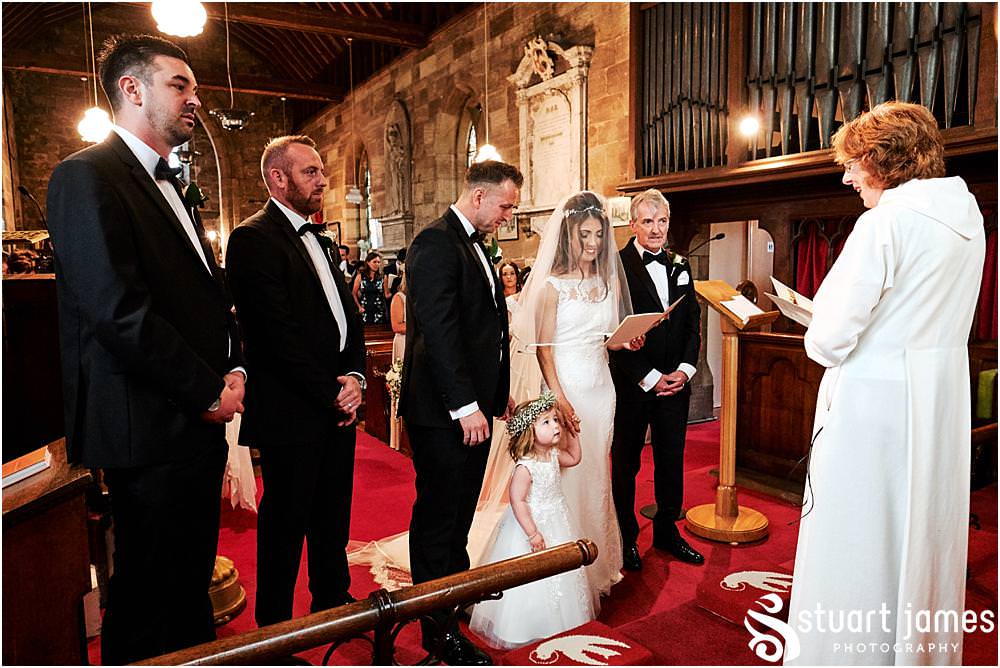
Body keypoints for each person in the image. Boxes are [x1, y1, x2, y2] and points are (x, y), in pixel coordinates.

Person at [45, 33, 245, 663]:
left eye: (194, 87)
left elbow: (203, 299)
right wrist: (209, 389)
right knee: (147, 595)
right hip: (147, 423)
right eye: (179, 85)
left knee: (187, 588)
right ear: (131, 90)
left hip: (188, 421)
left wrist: (232, 361)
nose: (195, 100)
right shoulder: (86, 176)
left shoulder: (172, 182)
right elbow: (117, 311)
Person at [786, 101, 986, 665]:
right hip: (940, 393)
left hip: (875, 404)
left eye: (853, 163)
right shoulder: (967, 219)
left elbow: (827, 341)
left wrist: (818, 322)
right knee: (923, 528)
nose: (846, 176)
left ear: (884, 160)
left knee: (861, 535)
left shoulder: (886, 221)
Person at [225, 135, 366, 626]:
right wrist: (333, 393)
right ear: (277, 178)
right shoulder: (253, 238)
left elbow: (346, 317)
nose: (323, 180)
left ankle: (332, 601)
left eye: (321, 170)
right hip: (291, 412)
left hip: (335, 406)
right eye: (311, 172)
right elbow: (274, 337)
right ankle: (276, 629)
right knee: (285, 525)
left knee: (332, 516)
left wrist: (354, 378)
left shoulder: (320, 238)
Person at [397, 160, 521, 666]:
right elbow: (440, 334)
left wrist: (498, 394)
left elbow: (486, 330)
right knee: (438, 516)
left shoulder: (477, 246)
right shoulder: (434, 243)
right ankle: (436, 627)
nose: (508, 216)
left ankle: (455, 596)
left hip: (474, 407)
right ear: (478, 197)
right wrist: (466, 405)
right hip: (443, 413)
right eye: (506, 206)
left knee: (461, 514)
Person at [609, 188, 704, 571]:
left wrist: (685, 370)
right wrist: (649, 377)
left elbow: (692, 323)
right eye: (647, 221)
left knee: (671, 460)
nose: (656, 229)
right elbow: (612, 333)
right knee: (626, 463)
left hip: (675, 385)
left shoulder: (680, 263)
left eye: (661, 221)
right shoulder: (616, 266)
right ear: (633, 224)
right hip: (634, 385)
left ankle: (667, 529)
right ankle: (626, 537)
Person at [469, 392, 593, 650]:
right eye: (546, 423)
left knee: (562, 572)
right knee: (532, 577)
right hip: (531, 526)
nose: (555, 426)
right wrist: (532, 532)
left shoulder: (552, 456)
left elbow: (574, 458)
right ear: (529, 433)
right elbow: (518, 502)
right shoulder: (525, 467)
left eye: (555, 420)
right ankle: (526, 624)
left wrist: (573, 433)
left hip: (557, 518)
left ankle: (561, 622)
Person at [388, 272, 407, 449]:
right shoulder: (399, 298)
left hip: (415, 343)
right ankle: (398, 437)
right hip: (403, 343)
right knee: (401, 387)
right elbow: (397, 326)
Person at [352, 251, 388, 325]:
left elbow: (386, 295)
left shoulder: (383, 277)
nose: (377, 264)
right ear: (368, 262)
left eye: (378, 262)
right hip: (364, 310)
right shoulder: (360, 277)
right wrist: (359, 307)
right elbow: (353, 293)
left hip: (379, 311)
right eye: (374, 262)